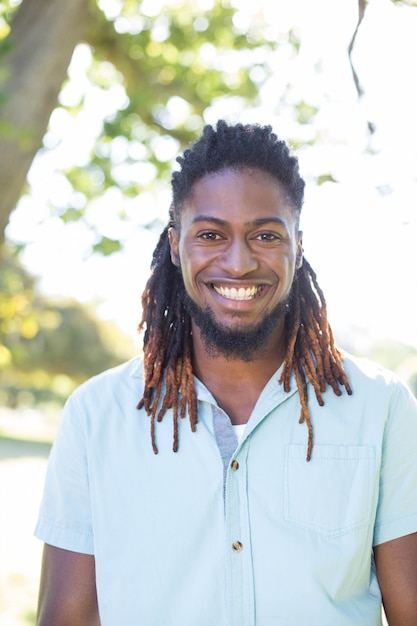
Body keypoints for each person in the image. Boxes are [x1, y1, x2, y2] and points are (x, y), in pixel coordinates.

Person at [35, 121, 417, 626]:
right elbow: (67, 619)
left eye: (264, 235)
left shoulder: (381, 407)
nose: (238, 264)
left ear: (298, 246)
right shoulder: (95, 415)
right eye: (211, 234)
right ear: (176, 245)